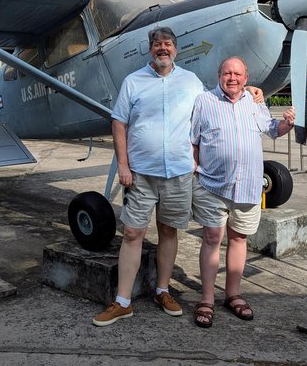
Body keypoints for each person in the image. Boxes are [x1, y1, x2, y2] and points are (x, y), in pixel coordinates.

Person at [92, 28, 264, 327]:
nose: (163, 49)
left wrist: (250, 91)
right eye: (157, 45)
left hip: (179, 174)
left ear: (175, 50)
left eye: (168, 44)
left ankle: (162, 290)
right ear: (150, 50)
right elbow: (118, 122)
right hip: (142, 174)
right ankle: (122, 302)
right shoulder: (133, 82)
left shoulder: (191, 82)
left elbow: (219, 98)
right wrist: (123, 164)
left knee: (169, 231)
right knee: (133, 233)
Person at [189, 56, 295, 328]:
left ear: (246, 78)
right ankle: (207, 298)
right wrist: (194, 171)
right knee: (212, 238)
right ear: (219, 75)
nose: (232, 78)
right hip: (213, 185)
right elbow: (193, 141)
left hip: (247, 185)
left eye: (237, 74)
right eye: (227, 73)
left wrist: (287, 124)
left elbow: (271, 129)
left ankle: (233, 294)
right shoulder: (204, 102)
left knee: (239, 239)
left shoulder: (254, 102)